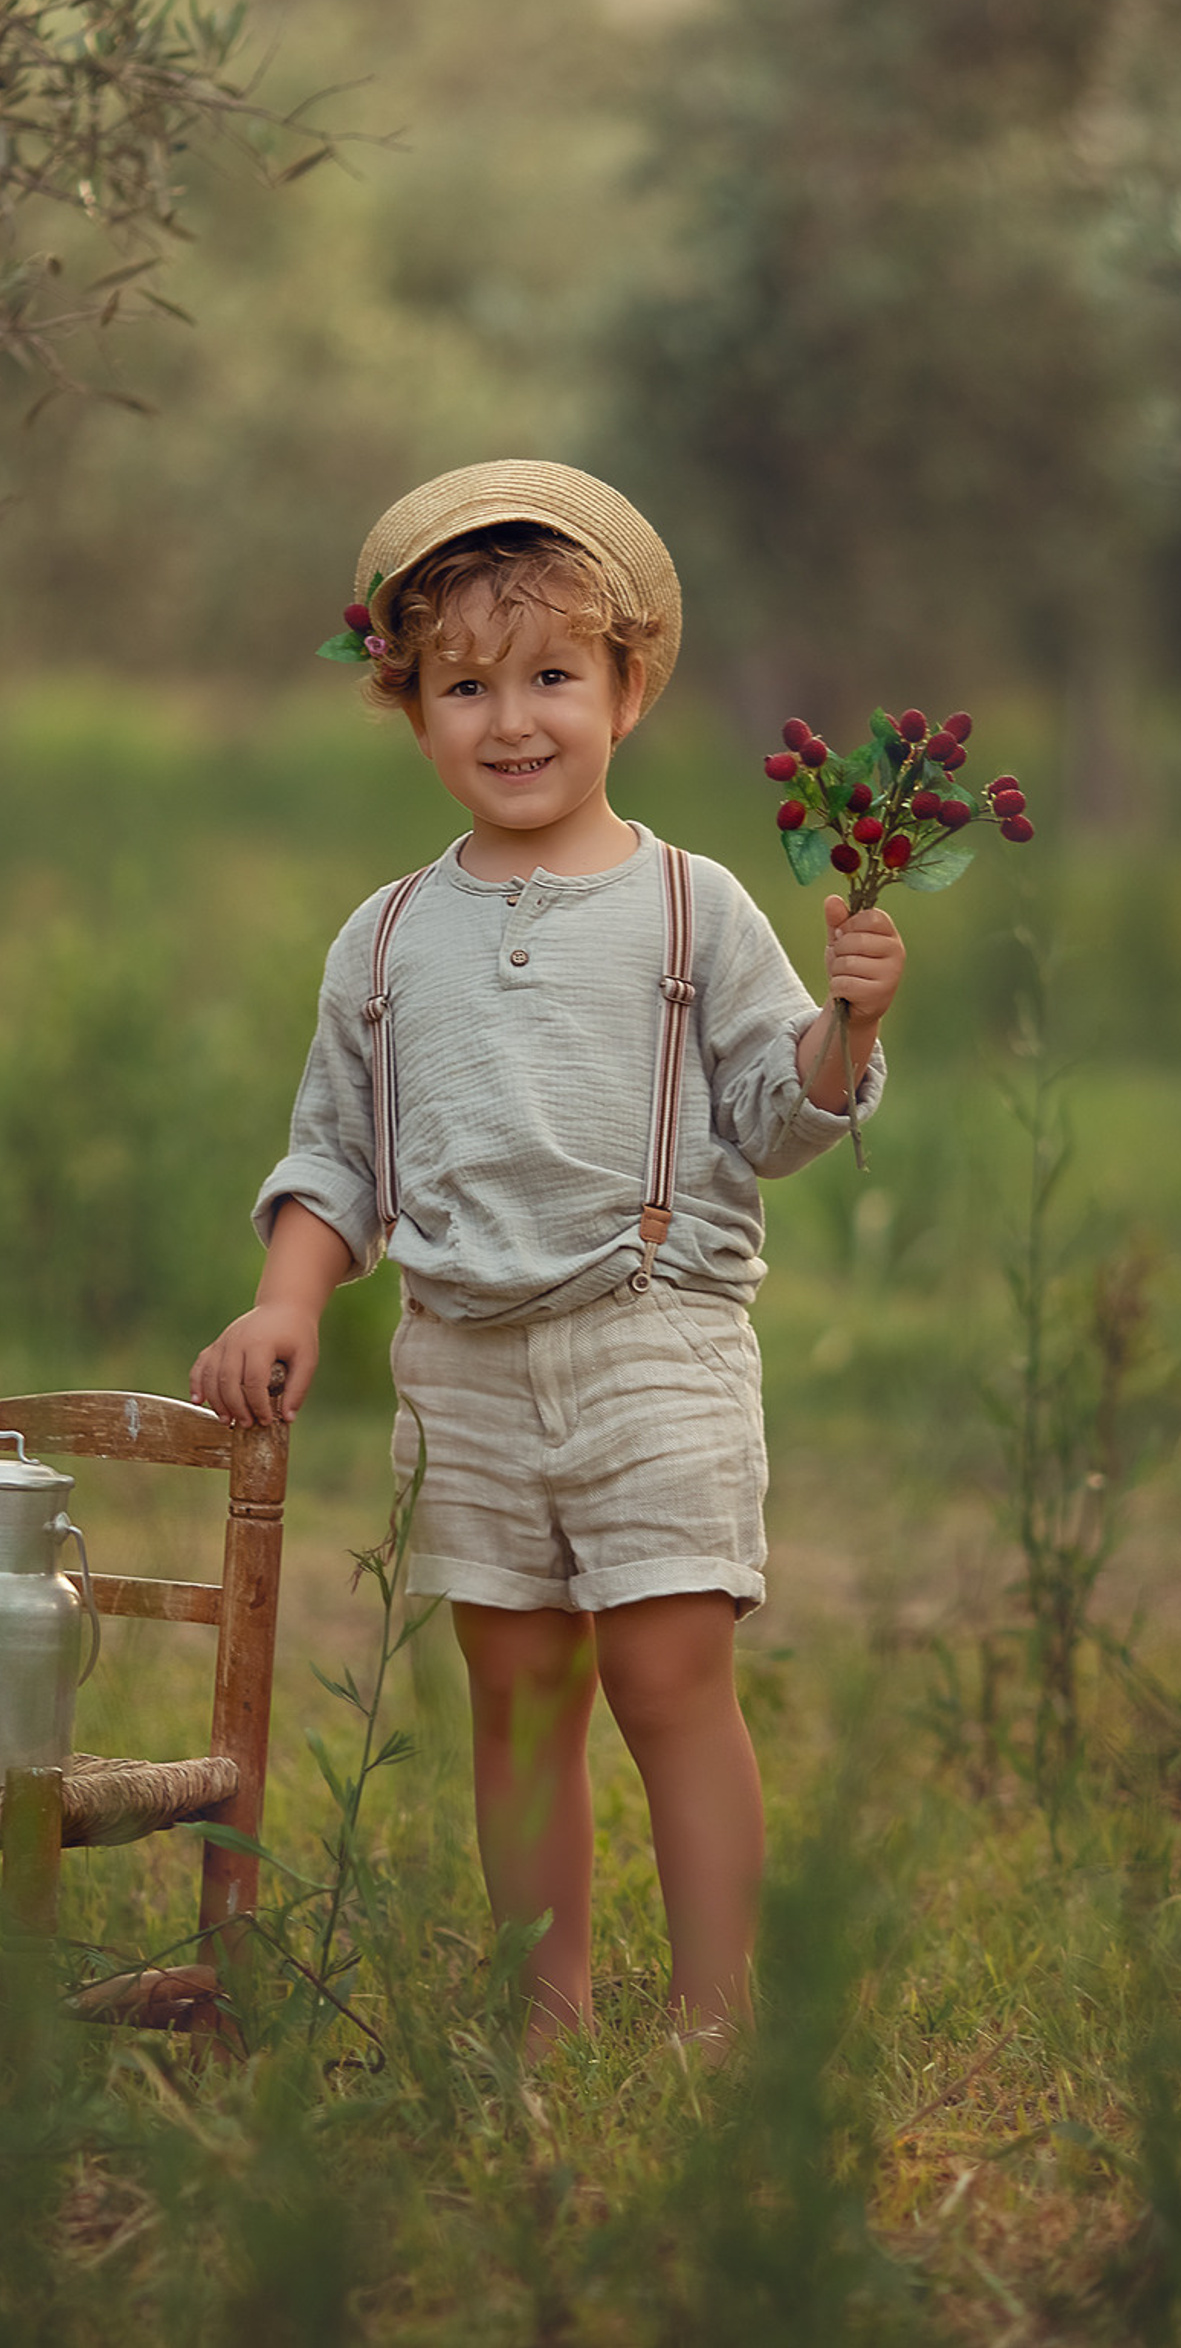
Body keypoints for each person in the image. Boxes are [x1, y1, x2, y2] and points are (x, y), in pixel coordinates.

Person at [190, 460, 902, 2050]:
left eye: (554, 679)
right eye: (465, 686)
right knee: (516, 1708)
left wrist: (847, 1025)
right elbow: (337, 1155)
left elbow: (778, 1117)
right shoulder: (382, 940)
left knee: (668, 1685)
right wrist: (288, 1294)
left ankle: (719, 2014)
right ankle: (546, 2010)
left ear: (627, 690)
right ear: (411, 706)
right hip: (463, 1361)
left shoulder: (688, 907)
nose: (513, 721)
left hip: (653, 1337)